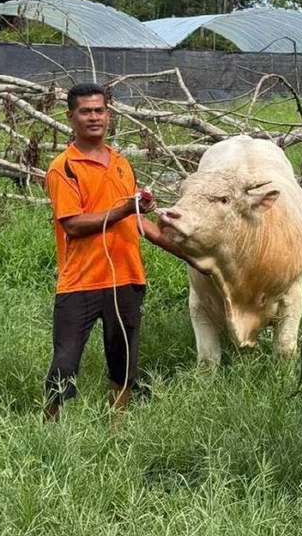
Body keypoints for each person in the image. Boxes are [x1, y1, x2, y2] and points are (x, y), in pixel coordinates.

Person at [43, 82, 198, 420]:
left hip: (126, 279)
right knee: (65, 363)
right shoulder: (63, 167)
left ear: (108, 115)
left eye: (99, 110)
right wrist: (125, 209)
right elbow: (72, 224)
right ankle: (47, 428)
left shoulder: (121, 164)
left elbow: (140, 224)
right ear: (70, 116)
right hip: (80, 283)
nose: (94, 117)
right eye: (85, 111)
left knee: (123, 361)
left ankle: (119, 427)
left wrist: (190, 256)